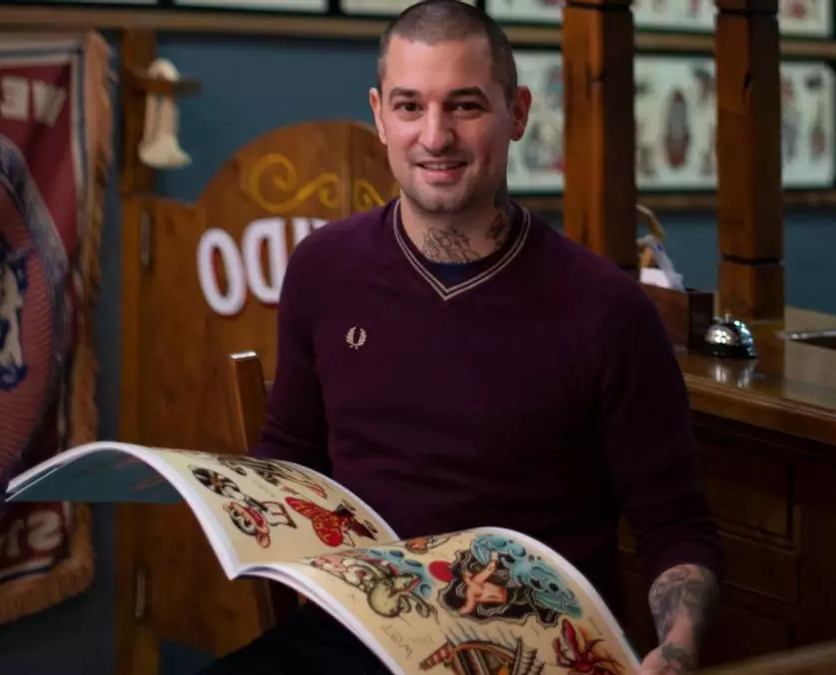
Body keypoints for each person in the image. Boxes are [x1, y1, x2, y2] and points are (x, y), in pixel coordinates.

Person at [198, 1, 723, 673]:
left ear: (518, 113)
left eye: (465, 106)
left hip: (528, 650)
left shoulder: (608, 311)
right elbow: (291, 458)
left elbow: (676, 524)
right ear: (380, 114)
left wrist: (675, 650)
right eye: (409, 106)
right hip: (357, 633)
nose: (435, 135)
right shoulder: (323, 269)